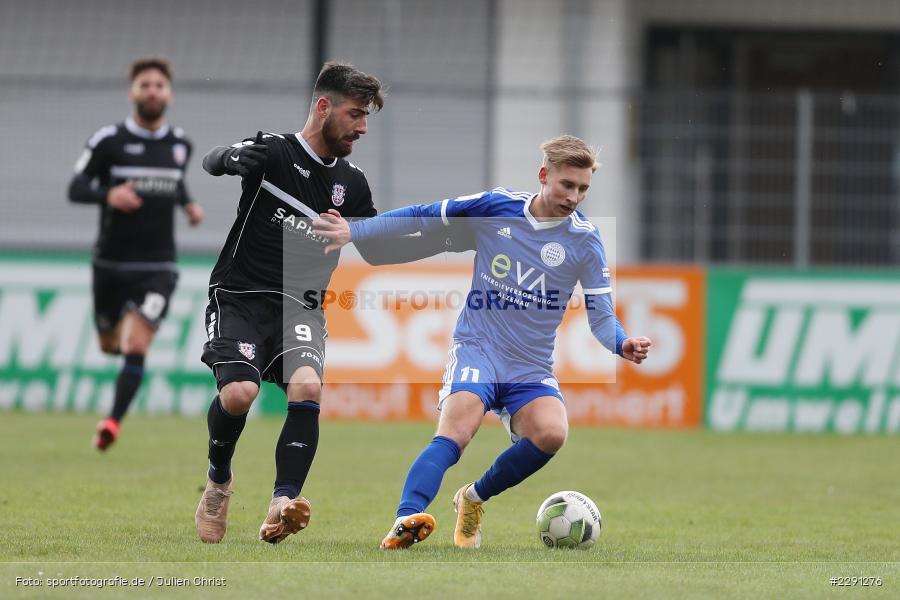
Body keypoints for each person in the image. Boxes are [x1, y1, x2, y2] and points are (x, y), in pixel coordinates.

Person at [312, 134, 652, 549]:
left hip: (530, 365)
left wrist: (621, 343)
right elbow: (424, 215)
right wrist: (357, 230)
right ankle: (405, 519)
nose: (574, 196)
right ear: (544, 176)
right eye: (567, 184)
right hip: (479, 347)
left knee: (552, 434)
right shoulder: (497, 207)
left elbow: (601, 316)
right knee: (456, 432)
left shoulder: (585, 240)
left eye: (583, 189)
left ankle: (472, 498)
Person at [194, 61, 473, 544]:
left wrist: (446, 242)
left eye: (367, 117)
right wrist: (229, 158)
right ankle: (218, 482)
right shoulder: (276, 153)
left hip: (300, 305)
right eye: (355, 114)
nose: (362, 127)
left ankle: (283, 503)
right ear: (323, 107)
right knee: (239, 394)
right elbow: (213, 159)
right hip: (240, 294)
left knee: (308, 388)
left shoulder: (352, 183)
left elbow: (377, 246)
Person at [67, 56, 204, 452]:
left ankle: (112, 421)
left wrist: (188, 205)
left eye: (159, 85)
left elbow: (174, 184)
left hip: (158, 265)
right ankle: (114, 350)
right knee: (111, 344)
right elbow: (75, 187)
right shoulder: (108, 141)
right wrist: (106, 194)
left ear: (169, 94)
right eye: (144, 85)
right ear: (133, 92)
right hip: (110, 264)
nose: (152, 91)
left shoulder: (180, 145)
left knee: (137, 345)